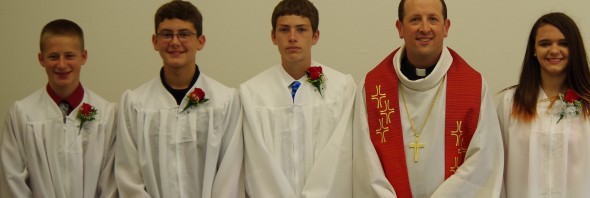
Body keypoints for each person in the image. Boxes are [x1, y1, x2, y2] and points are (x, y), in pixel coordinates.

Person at [351, 0, 504, 197]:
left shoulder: (473, 87)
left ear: (446, 27)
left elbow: (483, 161)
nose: (424, 28)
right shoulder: (373, 88)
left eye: (433, 19)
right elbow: (365, 166)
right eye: (415, 20)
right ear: (400, 28)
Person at [114, 1, 244, 197]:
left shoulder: (225, 101)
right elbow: (129, 177)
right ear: (154, 41)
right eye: (166, 34)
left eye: (184, 34)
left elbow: (230, 174)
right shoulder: (135, 104)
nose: (175, 42)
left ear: (200, 41)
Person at [239, 0, 356, 197]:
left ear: (315, 36)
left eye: (301, 29)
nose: (292, 38)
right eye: (284, 30)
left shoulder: (341, 88)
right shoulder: (252, 94)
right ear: (273, 36)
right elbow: (257, 164)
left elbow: (339, 157)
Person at [495, 12, 590, 198]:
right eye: (545, 43)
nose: (554, 50)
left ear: (575, 49)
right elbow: (497, 171)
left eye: (563, 43)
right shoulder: (511, 103)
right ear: (534, 50)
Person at [0, 19, 118, 198]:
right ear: (41, 59)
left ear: (83, 57)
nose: (62, 65)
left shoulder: (105, 114)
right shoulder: (22, 114)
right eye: (53, 56)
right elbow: (12, 180)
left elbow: (110, 183)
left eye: (69, 55)